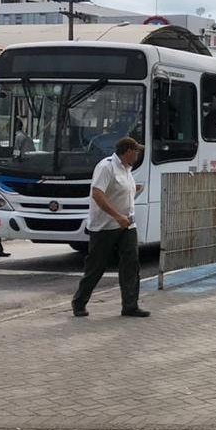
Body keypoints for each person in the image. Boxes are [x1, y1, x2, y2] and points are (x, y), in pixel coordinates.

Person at [72, 136, 149, 317]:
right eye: (136, 151)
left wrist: (134, 188)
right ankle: (79, 302)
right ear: (128, 151)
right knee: (96, 266)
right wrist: (116, 215)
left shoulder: (127, 169)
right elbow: (97, 194)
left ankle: (130, 305)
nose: (138, 155)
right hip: (105, 226)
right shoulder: (106, 167)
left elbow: (119, 190)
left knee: (131, 263)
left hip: (127, 224)